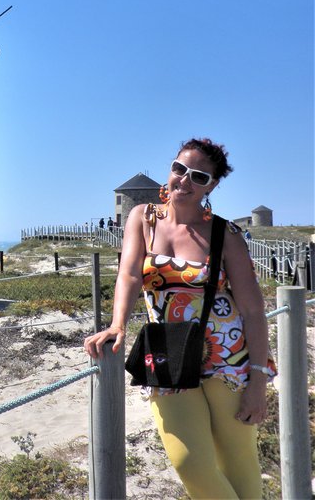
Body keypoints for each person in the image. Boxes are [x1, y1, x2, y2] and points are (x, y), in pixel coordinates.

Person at [83, 137, 274, 500]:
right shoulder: (143, 217)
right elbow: (129, 275)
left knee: (240, 466)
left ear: (212, 186)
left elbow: (252, 310)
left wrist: (258, 381)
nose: (184, 181)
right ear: (170, 169)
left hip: (229, 357)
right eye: (179, 169)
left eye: (199, 176)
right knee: (190, 463)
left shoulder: (226, 235)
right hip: (168, 352)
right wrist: (117, 324)